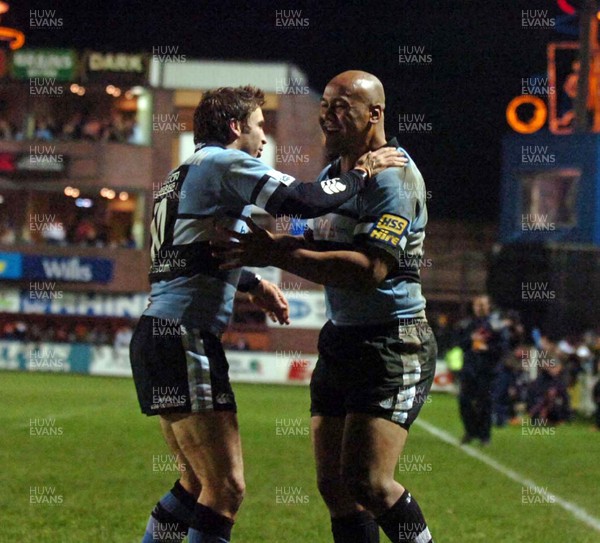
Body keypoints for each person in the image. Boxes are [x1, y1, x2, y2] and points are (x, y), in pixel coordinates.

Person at [129, 84, 404, 543]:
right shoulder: (223, 162)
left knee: (195, 484)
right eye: (259, 126)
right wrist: (362, 173)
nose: (263, 139)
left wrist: (253, 284)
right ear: (236, 127)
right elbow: (303, 200)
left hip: (158, 334)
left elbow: (195, 256)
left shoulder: (182, 174)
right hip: (184, 336)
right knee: (225, 489)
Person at [215, 71, 436, 543]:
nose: (327, 117)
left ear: (375, 114)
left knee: (369, 482)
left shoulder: (394, 177)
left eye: (342, 108)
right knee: (335, 485)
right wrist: (281, 242)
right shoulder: (336, 175)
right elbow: (320, 239)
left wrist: (279, 253)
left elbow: (371, 269)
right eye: (325, 107)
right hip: (342, 337)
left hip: (392, 339)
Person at [457, 294, 507, 445]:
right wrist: (470, 340)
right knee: (464, 401)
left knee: (485, 403)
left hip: (488, 370)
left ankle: (485, 436)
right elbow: (459, 343)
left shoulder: (496, 324)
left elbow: (503, 347)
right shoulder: (467, 324)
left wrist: (487, 348)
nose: (480, 307)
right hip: (470, 369)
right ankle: (471, 431)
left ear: (489, 306)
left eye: (483, 304)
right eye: (477, 305)